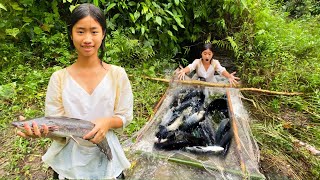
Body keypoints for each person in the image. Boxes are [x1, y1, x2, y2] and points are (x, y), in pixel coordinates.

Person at [16, 3, 133, 179]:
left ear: (103, 34)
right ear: (71, 34)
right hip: (68, 163)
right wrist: (42, 133)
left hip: (107, 162)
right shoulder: (59, 78)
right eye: (80, 31)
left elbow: (125, 116)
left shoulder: (117, 74)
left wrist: (108, 122)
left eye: (94, 31)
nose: (87, 39)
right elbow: (55, 124)